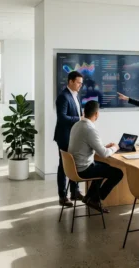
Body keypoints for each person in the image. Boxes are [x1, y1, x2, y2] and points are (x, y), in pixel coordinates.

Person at [68, 101, 123, 213]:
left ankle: (89, 197)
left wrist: (103, 147)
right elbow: (104, 154)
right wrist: (115, 148)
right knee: (118, 173)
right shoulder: (90, 129)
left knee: (104, 167)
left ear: (84, 112)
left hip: (73, 168)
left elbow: (85, 145)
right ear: (97, 114)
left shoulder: (76, 125)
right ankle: (96, 199)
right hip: (83, 169)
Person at [54, 71, 84, 207]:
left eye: (81, 83)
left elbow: (78, 113)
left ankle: (75, 191)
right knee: (64, 166)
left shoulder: (76, 96)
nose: (80, 86)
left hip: (75, 136)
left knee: (75, 164)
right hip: (64, 136)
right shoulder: (63, 97)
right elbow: (62, 118)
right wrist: (79, 119)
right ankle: (62, 196)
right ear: (70, 81)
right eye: (78, 82)